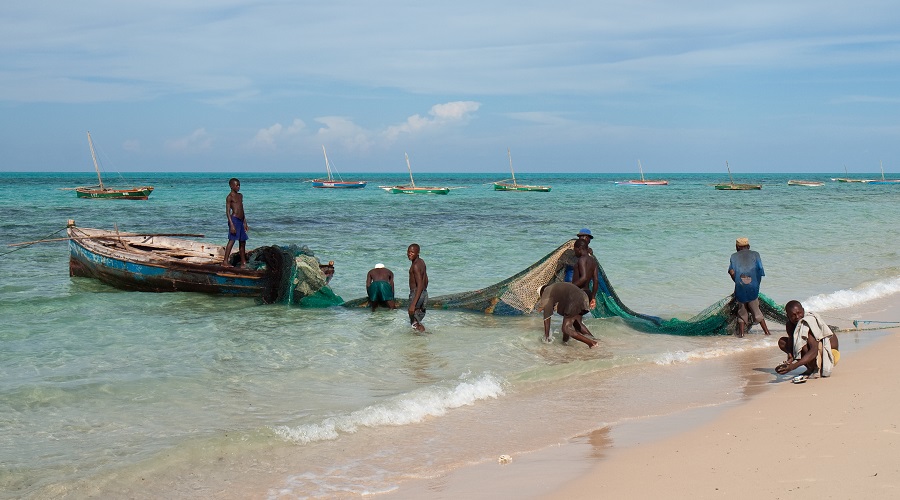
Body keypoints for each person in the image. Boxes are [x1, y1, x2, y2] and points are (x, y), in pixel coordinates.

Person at [776, 300, 840, 378]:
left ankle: (814, 368)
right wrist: (790, 357)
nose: (797, 317)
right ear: (788, 316)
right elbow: (792, 344)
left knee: (803, 343)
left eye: (799, 313)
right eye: (793, 315)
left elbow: (814, 350)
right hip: (817, 351)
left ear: (803, 310)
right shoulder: (789, 325)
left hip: (831, 355)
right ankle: (810, 367)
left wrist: (793, 366)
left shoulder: (807, 323)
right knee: (782, 342)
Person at [727, 237, 772, 337]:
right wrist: (756, 285)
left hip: (740, 287)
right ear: (749, 246)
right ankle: (767, 333)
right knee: (756, 310)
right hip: (753, 286)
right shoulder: (755, 254)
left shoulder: (733, 256)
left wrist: (738, 283)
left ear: (737, 247)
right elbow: (760, 270)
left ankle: (742, 334)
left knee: (742, 311)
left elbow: (732, 272)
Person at [538, 282, 598, 348]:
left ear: (542, 293)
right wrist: (564, 342)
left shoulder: (546, 292)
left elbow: (547, 318)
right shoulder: (556, 289)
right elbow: (566, 320)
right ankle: (595, 340)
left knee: (566, 328)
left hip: (575, 299)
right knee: (576, 324)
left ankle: (591, 343)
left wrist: (546, 337)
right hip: (584, 297)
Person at [223, 178, 249, 267]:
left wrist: (245, 222)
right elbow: (227, 212)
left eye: (239, 185)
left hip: (241, 221)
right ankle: (225, 262)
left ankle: (243, 262)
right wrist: (232, 225)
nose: (238, 187)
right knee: (232, 240)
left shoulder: (240, 195)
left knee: (242, 241)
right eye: (236, 185)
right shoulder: (229, 197)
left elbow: (242, 209)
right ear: (231, 186)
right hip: (234, 220)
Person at [571, 238, 599, 310]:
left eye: (575, 250)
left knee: (568, 318)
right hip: (587, 294)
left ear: (579, 249)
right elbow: (596, 281)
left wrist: (570, 287)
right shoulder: (593, 261)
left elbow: (584, 278)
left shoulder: (582, 259)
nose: (575, 252)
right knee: (577, 318)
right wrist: (593, 297)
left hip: (579, 292)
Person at [407, 244, 428, 332]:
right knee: (417, 321)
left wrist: (413, 304)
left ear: (418, 253)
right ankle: (423, 337)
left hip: (416, 294)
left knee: (414, 321)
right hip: (423, 293)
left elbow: (419, 284)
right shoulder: (421, 262)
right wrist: (424, 293)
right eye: (408, 252)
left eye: (412, 252)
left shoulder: (415, 266)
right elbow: (426, 280)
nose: (409, 254)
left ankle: (419, 341)